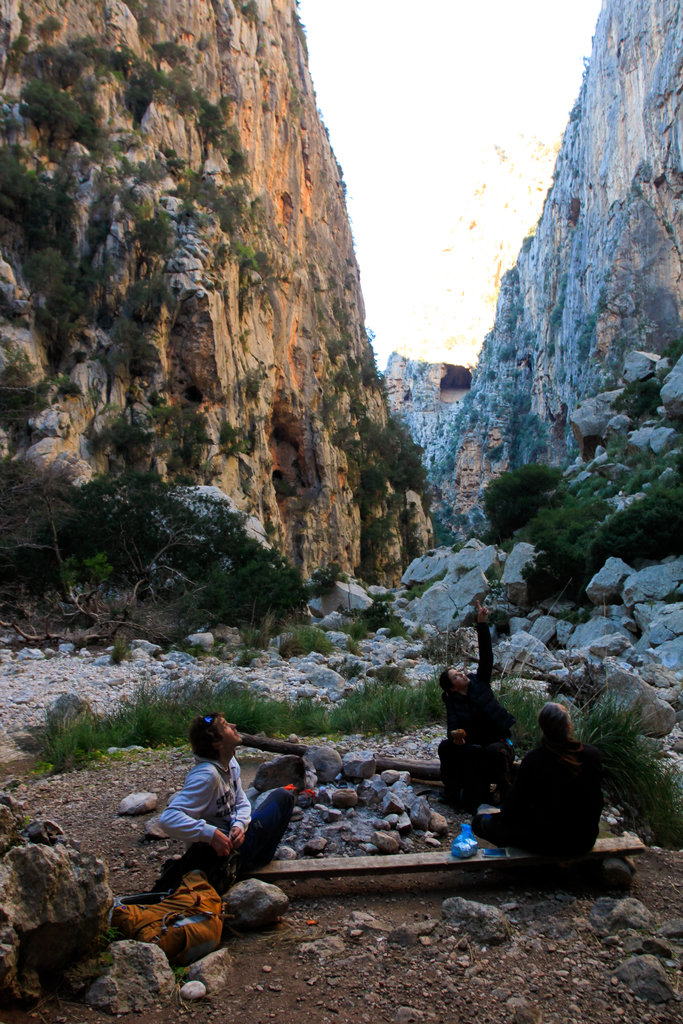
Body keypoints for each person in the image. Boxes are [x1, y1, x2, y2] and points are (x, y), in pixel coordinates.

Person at [154, 712, 295, 894]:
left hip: (236, 842)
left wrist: (240, 824)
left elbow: (242, 801)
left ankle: (248, 864)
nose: (234, 725)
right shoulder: (206, 776)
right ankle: (245, 866)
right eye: (227, 725)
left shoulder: (230, 763)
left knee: (282, 796)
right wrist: (210, 834)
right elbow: (168, 819)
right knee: (283, 798)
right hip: (220, 856)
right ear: (217, 743)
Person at [472, 701, 603, 856]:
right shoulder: (592, 755)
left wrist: (501, 817)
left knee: (480, 822)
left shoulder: (534, 760)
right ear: (568, 726)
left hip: (542, 842)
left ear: (542, 728)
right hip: (583, 841)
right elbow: (597, 801)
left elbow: (514, 807)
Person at [437, 600, 515, 812]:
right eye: (456, 676)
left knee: (494, 751)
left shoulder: (479, 681)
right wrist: (455, 736)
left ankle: (507, 799)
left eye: (459, 672)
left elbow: (487, 658)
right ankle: (452, 792)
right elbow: (452, 724)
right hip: (473, 744)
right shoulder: (453, 700)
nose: (462, 673)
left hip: (497, 739)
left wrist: (481, 623)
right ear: (453, 688)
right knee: (445, 747)